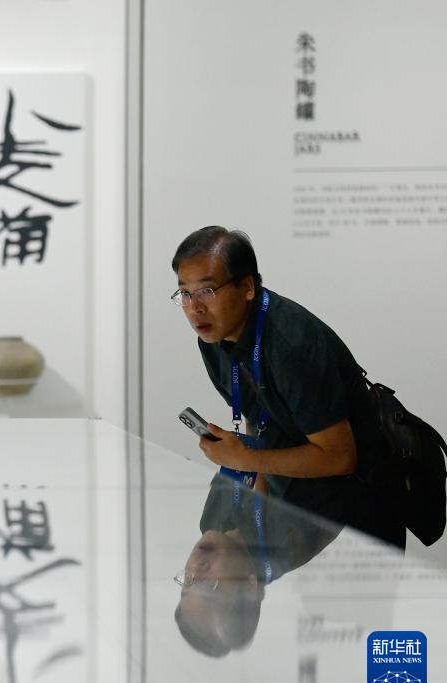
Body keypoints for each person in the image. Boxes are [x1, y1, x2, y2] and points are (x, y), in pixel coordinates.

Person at [171, 225, 405, 548]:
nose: (195, 308)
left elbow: (340, 457)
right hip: (299, 492)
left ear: (247, 287)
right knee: (216, 530)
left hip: (358, 506)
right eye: (185, 294)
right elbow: (258, 420)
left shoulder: (291, 345)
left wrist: (246, 460)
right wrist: (256, 511)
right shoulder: (213, 340)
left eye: (207, 291)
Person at [174, 472, 343, 657]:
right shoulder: (294, 534)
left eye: (188, 582)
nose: (196, 569)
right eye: (207, 585)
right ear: (248, 585)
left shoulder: (210, 523)